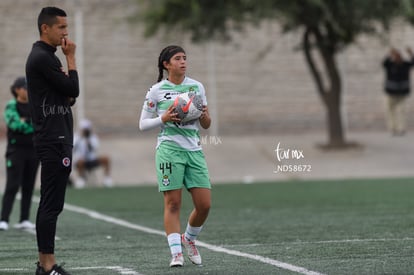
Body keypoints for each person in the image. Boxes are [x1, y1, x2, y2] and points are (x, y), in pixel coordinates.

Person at [139, 45, 212, 267]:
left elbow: (207, 125)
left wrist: (205, 115)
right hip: (169, 149)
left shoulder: (196, 86)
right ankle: (176, 253)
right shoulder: (157, 90)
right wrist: (164, 118)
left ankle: (188, 239)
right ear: (166, 64)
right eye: (178, 58)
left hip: (194, 150)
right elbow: (142, 124)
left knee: (204, 204)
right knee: (173, 203)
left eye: (185, 58)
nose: (183, 62)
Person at [25, 6, 79, 275]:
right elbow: (73, 89)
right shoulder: (43, 57)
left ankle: (44, 264)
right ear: (45, 28)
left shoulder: (47, 57)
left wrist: (67, 89)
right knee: (51, 204)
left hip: (58, 137)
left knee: (52, 203)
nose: (66, 32)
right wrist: (71, 59)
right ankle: (47, 265)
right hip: (53, 139)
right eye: (61, 27)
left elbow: (68, 97)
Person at [0, 77, 39, 231]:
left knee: (28, 186)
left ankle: (24, 218)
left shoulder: (34, 105)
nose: (28, 91)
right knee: (12, 185)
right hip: (16, 151)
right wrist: (28, 123)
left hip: (33, 150)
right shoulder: (11, 105)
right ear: (17, 89)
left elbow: (39, 124)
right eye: (25, 88)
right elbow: (15, 124)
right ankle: (4, 219)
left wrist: (26, 121)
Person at [73, 118, 113, 188]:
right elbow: (73, 147)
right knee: (80, 161)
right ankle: (81, 179)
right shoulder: (76, 137)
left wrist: (88, 141)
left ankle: (107, 179)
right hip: (81, 161)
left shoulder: (93, 137)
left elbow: (94, 148)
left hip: (92, 159)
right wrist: (81, 138)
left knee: (106, 158)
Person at [382, 47, 414, 136]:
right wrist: (389, 54)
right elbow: (384, 63)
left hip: (402, 92)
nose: (397, 58)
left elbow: (413, 62)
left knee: (401, 111)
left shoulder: (405, 64)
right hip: (390, 92)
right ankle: (392, 128)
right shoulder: (390, 64)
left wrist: (411, 54)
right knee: (389, 111)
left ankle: (401, 128)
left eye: (398, 56)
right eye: (395, 56)